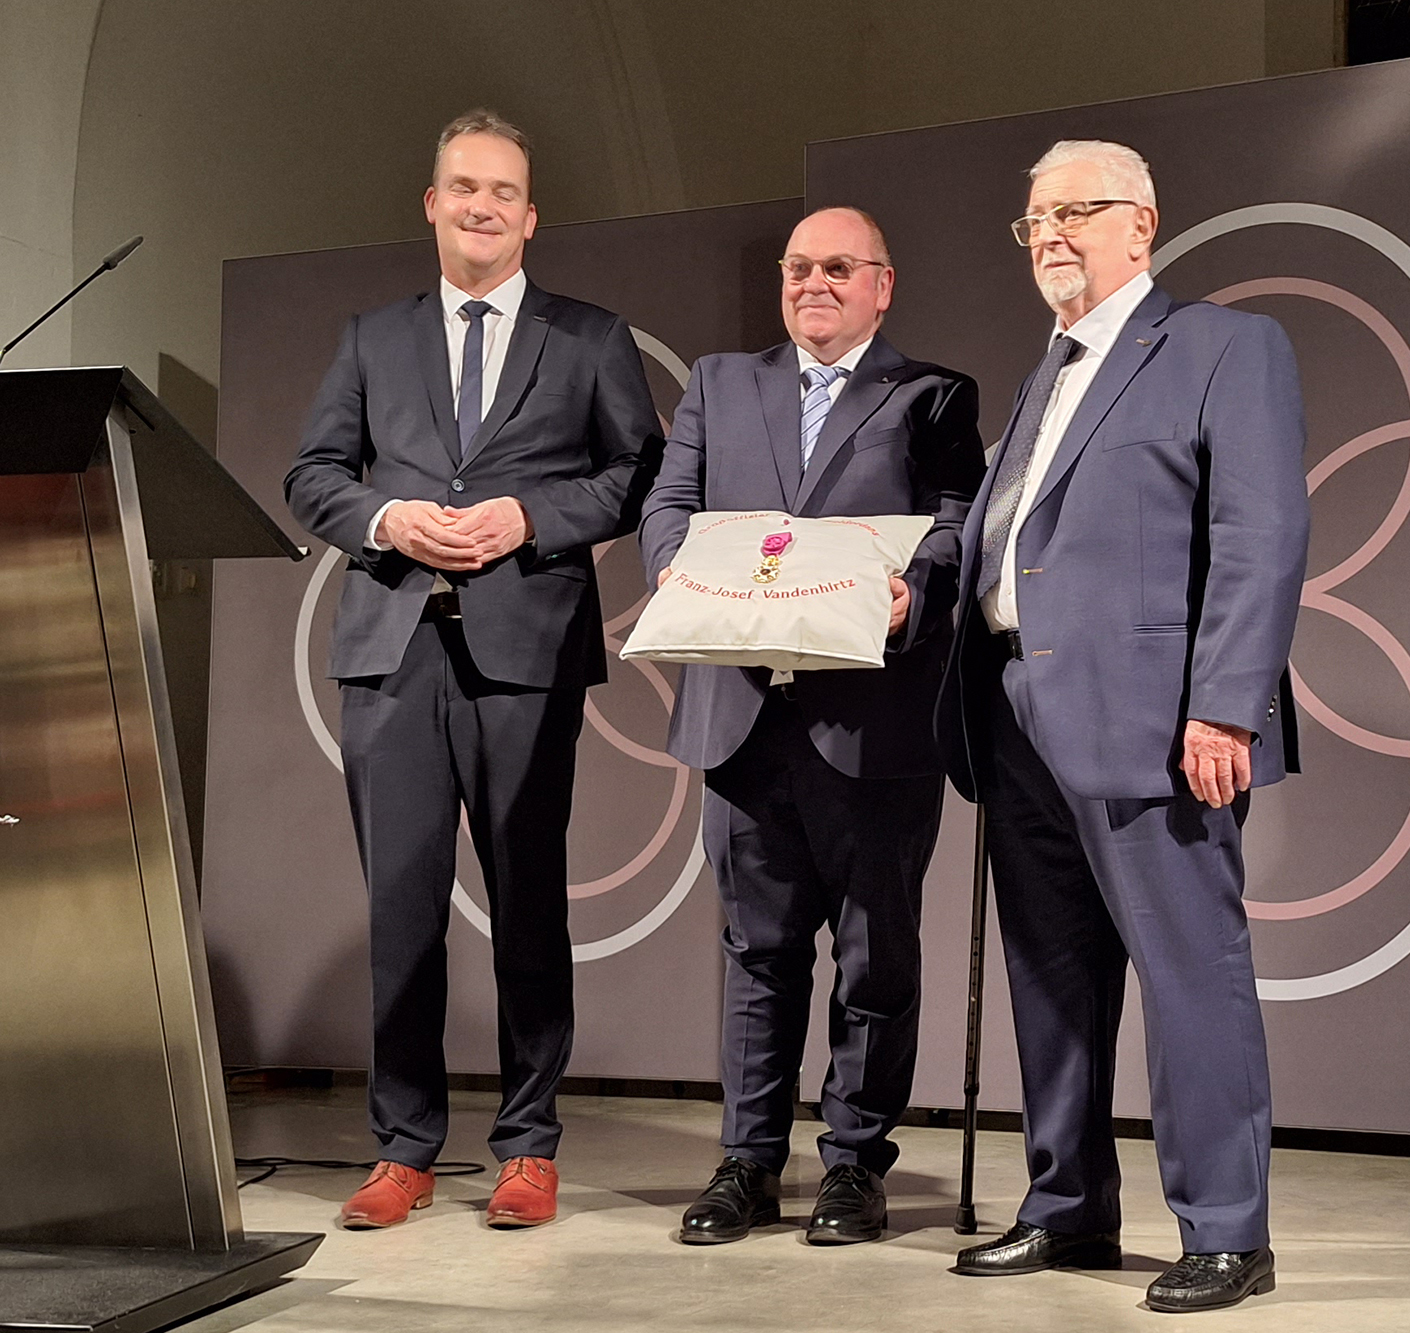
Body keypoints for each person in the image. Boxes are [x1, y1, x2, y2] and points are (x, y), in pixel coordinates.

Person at [936, 140, 1309, 1313]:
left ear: (1140, 225)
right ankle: (1066, 1211)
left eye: (1074, 212)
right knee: (1050, 981)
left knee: (1191, 976)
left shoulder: (1221, 346)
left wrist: (1220, 703)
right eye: (1032, 218)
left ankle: (1225, 1232)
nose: (1048, 233)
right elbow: (1015, 538)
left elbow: (1261, 534)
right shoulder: (1047, 369)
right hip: (1017, 714)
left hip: (1156, 722)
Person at [286, 109, 658, 1232]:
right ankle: (402, 1146)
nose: (482, 205)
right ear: (432, 203)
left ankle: (527, 1145)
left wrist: (526, 517)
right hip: (390, 654)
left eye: (502, 190)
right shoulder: (370, 337)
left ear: (529, 215)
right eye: (463, 187)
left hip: (524, 655)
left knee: (527, 902)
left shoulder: (590, 337)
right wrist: (388, 514)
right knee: (400, 909)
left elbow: (635, 474)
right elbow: (312, 475)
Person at [638, 207, 983, 1245]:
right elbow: (668, 503)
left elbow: (960, 516)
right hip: (741, 716)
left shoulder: (929, 394)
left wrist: (913, 596)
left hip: (872, 719)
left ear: (882, 285)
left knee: (874, 955)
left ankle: (852, 1163)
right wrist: (677, 570)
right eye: (798, 268)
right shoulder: (717, 382)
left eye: (838, 268)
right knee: (757, 950)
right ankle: (746, 1159)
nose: (813, 284)